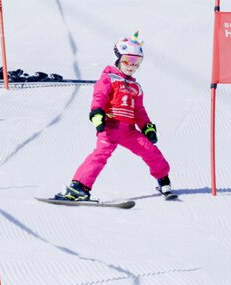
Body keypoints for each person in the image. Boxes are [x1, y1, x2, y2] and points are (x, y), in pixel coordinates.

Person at [58, 31, 172, 201]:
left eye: (137, 62)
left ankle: (163, 180)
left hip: (128, 131)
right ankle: (79, 188)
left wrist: (147, 127)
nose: (132, 65)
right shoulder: (108, 78)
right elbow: (99, 97)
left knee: (150, 150)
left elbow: (139, 111)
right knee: (101, 154)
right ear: (119, 58)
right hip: (110, 126)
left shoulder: (135, 86)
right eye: (128, 60)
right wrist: (97, 115)